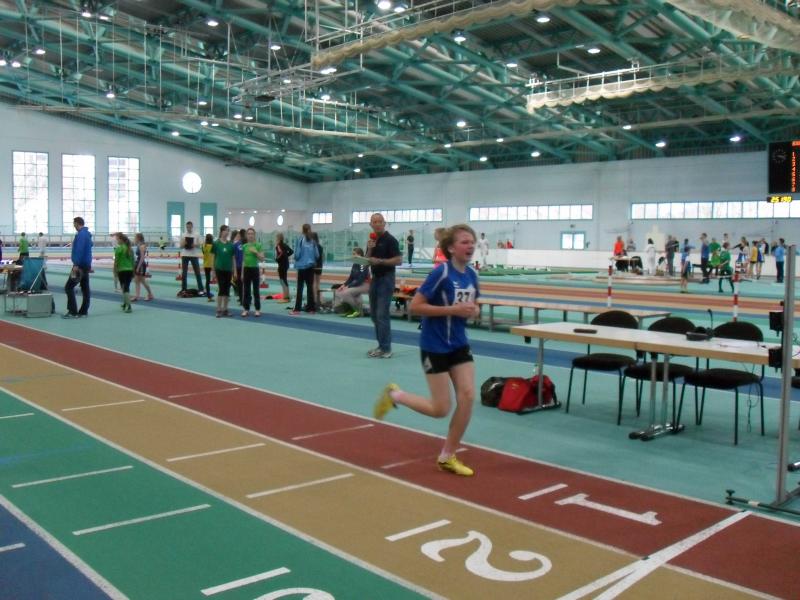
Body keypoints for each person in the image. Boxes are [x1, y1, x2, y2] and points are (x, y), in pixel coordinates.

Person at [374, 224, 480, 477]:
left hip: (459, 344)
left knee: (468, 396)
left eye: (472, 242)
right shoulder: (441, 273)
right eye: (464, 242)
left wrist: (473, 310)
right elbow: (416, 306)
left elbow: (474, 305)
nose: (470, 246)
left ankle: (447, 456)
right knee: (440, 409)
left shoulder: (472, 275)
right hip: (434, 346)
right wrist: (452, 310)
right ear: (451, 248)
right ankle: (395, 395)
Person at [366, 213, 402, 357]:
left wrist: (381, 261)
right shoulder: (372, 240)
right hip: (374, 279)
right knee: (374, 315)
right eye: (374, 222)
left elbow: (399, 260)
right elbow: (367, 261)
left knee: (382, 314)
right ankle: (381, 346)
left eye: (380, 221)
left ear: (384, 223)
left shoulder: (390, 240)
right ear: (371, 224)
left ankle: (386, 349)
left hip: (386, 279)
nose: (377, 224)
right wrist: (369, 249)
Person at [63, 216, 92, 318]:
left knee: (68, 287)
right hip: (85, 265)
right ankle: (83, 311)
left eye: (74, 224)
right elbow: (88, 250)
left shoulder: (81, 235)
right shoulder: (87, 234)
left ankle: (72, 311)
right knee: (85, 288)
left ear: (76, 223)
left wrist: (76, 264)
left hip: (79, 266)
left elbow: (80, 250)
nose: (73, 226)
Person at [291, 224, 319, 315]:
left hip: (302, 267)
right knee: (310, 288)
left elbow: (297, 255)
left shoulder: (300, 240)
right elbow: (317, 255)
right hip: (310, 267)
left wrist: (295, 258)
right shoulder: (313, 241)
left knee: (300, 288)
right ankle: (311, 309)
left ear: (302, 230)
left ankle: (297, 309)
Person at [335, 247, 371, 317]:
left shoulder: (362, 264)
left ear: (360, 255)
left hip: (365, 285)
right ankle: (353, 311)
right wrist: (343, 285)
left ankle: (356, 310)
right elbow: (351, 277)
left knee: (345, 293)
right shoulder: (355, 264)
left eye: (354, 254)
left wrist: (348, 286)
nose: (353, 256)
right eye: (353, 254)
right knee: (338, 291)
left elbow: (360, 280)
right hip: (357, 284)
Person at [241, 227, 265, 317]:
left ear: (254, 235)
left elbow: (262, 258)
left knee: (256, 290)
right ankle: (246, 309)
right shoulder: (244, 246)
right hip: (246, 269)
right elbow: (243, 260)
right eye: (249, 234)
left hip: (255, 269)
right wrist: (242, 273)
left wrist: (256, 252)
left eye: (252, 234)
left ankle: (257, 309)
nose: (250, 235)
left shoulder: (258, 245)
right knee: (246, 290)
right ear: (246, 236)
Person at [211, 225, 234, 317]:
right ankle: (218, 309)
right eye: (225, 230)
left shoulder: (230, 244)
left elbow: (233, 258)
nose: (227, 232)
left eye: (228, 230)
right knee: (221, 289)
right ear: (221, 232)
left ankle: (225, 309)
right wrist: (213, 270)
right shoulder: (216, 243)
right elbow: (213, 257)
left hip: (228, 269)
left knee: (227, 290)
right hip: (219, 269)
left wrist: (234, 270)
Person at [179, 221, 204, 294]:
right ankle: (184, 289)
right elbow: (180, 246)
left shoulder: (197, 234)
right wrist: (184, 244)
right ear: (186, 227)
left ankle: (201, 289)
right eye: (187, 227)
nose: (188, 228)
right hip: (185, 255)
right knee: (184, 273)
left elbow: (201, 244)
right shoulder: (183, 234)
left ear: (192, 227)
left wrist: (195, 245)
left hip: (194, 255)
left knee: (197, 272)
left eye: (189, 227)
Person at [114, 233, 135, 313]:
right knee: (126, 287)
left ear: (121, 240)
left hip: (122, 270)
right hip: (130, 270)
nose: (117, 241)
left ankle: (129, 306)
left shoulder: (118, 249)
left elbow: (116, 262)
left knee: (124, 288)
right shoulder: (130, 249)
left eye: (117, 239)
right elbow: (133, 261)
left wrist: (115, 270)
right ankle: (125, 303)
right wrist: (133, 271)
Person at [132, 233, 154, 302]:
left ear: (138, 238)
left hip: (141, 265)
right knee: (136, 280)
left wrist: (138, 267)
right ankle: (137, 296)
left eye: (135, 237)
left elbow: (142, 258)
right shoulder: (139, 245)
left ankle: (150, 294)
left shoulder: (142, 246)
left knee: (143, 281)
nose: (134, 239)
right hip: (138, 263)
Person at [274, 232, 293, 303]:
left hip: (282, 265)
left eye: (276, 238)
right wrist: (286, 256)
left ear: (278, 238)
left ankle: (286, 297)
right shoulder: (285, 245)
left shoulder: (278, 246)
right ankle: (286, 296)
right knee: (284, 280)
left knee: (283, 280)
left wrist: (277, 259)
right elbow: (291, 251)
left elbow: (280, 254)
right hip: (286, 264)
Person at [311, 232, 324, 311]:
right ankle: (321, 300)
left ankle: (315, 300)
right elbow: (321, 257)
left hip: (314, 266)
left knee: (313, 284)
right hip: (319, 266)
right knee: (318, 284)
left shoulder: (312, 246)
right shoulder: (320, 246)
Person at [202, 233, 215, 302]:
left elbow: (203, 253)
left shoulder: (204, 246)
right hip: (212, 264)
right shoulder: (213, 246)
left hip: (206, 265)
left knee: (207, 280)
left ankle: (209, 296)